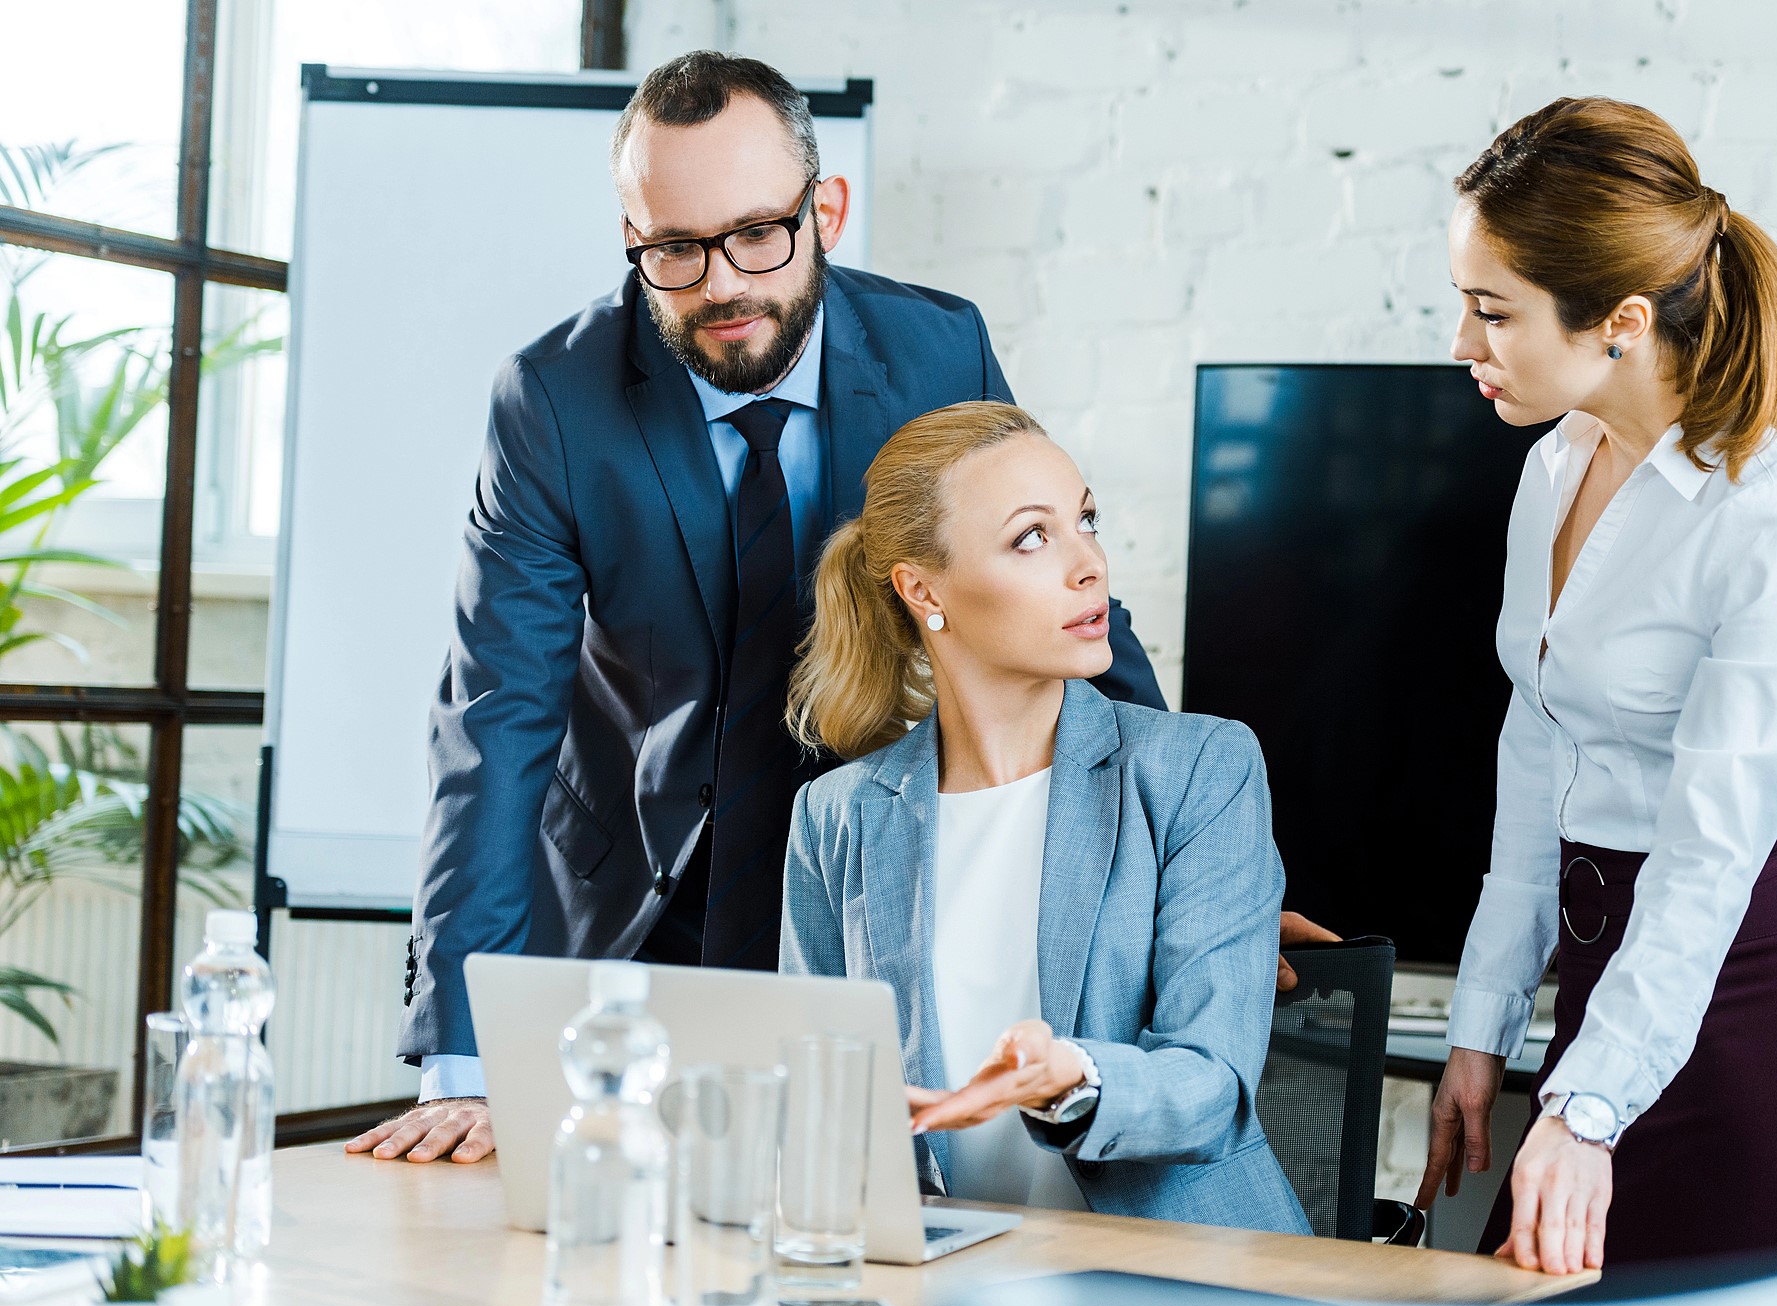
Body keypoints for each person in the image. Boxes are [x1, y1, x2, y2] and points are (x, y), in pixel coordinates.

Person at [350, 52, 1166, 1166]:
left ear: (824, 209)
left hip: (867, 892)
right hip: (636, 903)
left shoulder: (937, 350)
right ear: (633, 239)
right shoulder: (552, 400)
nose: (722, 285)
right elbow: (494, 719)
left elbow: (1059, 603)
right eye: (673, 251)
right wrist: (466, 1061)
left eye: (756, 236)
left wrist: (1185, 869)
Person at [1415, 96, 1777, 1274]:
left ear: (1619, 321)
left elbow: (1706, 859)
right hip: (1601, 994)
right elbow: (1537, 761)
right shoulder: (1555, 464)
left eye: (1491, 312)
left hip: (1743, 1005)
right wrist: (1480, 1028)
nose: (1461, 345)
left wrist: (1584, 1109)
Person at [780, 401, 1311, 1233]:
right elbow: (813, 1089)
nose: (1090, 563)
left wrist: (1075, 1077)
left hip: (1174, 1277)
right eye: (1034, 536)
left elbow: (1213, 1082)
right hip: (947, 1280)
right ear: (923, 590)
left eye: (1086, 520)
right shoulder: (836, 817)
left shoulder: (1200, 768)